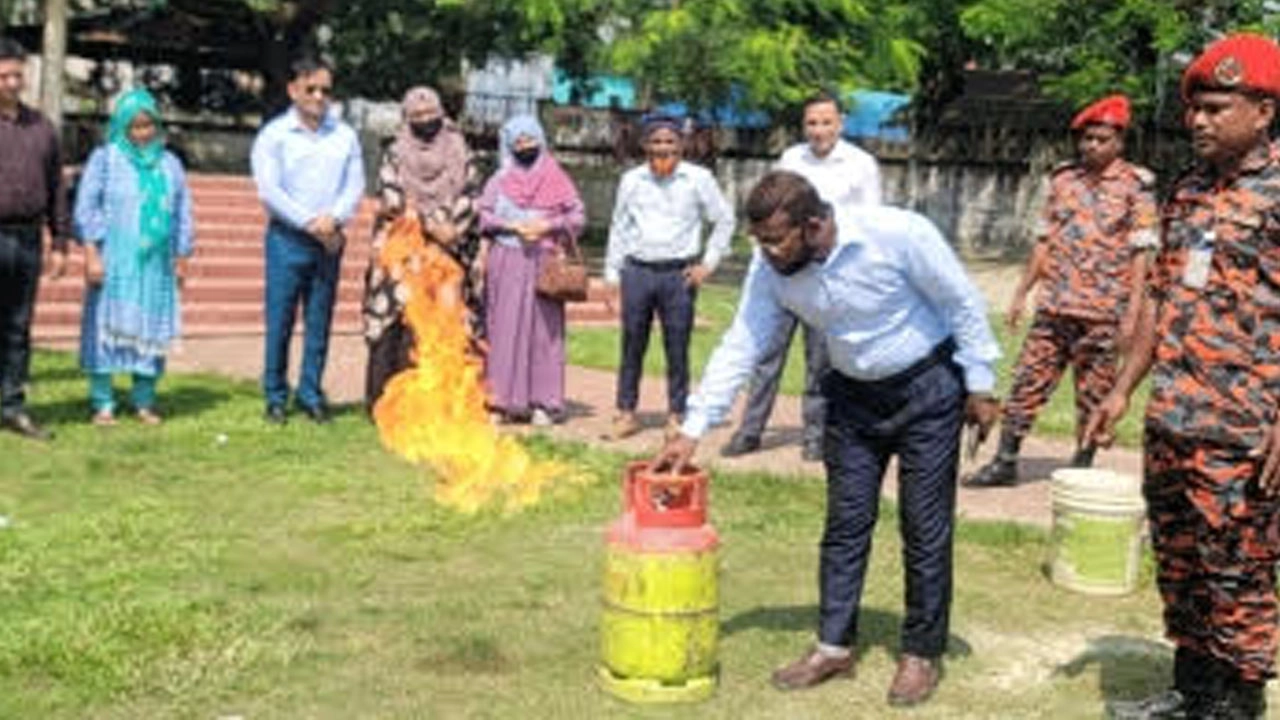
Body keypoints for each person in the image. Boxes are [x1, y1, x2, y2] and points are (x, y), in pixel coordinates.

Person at [655, 170, 1000, 708]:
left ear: (814, 225)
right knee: (845, 525)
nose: (766, 253)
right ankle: (834, 646)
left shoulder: (897, 234)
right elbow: (743, 341)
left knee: (924, 526)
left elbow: (961, 302)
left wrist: (979, 382)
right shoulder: (772, 270)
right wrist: (695, 427)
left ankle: (920, 653)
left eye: (776, 239)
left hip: (927, 389)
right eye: (761, 241)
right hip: (851, 400)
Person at [1086, 34, 1280, 720]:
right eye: (1194, 107)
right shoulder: (1189, 191)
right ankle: (1193, 695)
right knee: (1183, 565)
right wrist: (1119, 391)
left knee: (1238, 573)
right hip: (1173, 418)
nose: (1198, 120)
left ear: (1262, 110)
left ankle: (1239, 704)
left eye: (1216, 106)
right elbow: (1161, 302)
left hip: (1244, 430)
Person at [965, 94, 1158, 487]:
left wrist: (1133, 313)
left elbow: (1142, 253)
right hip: (1055, 309)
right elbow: (1044, 241)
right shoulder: (1063, 180)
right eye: (1086, 138)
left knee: (1094, 396)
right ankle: (1005, 460)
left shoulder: (1136, 187)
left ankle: (1081, 467)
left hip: (1104, 313)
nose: (1092, 146)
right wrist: (1021, 292)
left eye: (1102, 139)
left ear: (1119, 141)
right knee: (1027, 382)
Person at [721, 90, 882, 461]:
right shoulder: (791, 158)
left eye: (826, 122)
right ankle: (750, 430)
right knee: (766, 355)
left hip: (827, 276)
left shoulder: (861, 165)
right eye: (811, 122)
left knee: (819, 361)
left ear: (840, 122)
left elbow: (869, 225)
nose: (819, 130)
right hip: (782, 272)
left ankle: (814, 435)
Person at [603, 113, 734, 440]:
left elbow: (724, 219)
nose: (663, 149)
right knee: (632, 343)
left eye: (670, 142)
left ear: (682, 145)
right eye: (657, 142)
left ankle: (677, 415)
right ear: (646, 145)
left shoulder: (698, 179)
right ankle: (625, 412)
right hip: (637, 271)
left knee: (677, 346)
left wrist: (708, 263)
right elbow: (619, 226)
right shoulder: (632, 180)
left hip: (679, 275)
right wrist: (611, 273)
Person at [251, 56, 365, 425]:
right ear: (292, 90)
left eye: (325, 90)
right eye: (310, 88)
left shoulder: (344, 135)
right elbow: (270, 190)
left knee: (320, 321)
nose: (318, 96)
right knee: (280, 320)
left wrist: (334, 219)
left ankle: (311, 393)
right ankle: (275, 395)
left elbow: (355, 185)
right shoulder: (274, 136)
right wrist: (310, 222)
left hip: (329, 240)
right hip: (287, 239)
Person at [73, 89, 193, 426]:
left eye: (148, 125)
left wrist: (183, 255)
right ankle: (103, 403)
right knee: (104, 327)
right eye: (135, 127)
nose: (143, 133)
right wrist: (91, 254)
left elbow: (183, 212)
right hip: (114, 261)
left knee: (149, 332)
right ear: (122, 127)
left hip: (155, 267)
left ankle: (144, 401)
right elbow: (86, 207)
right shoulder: (106, 159)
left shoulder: (170, 164)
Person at [363, 86, 482, 412]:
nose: (426, 120)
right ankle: (392, 402)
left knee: (447, 320)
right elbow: (392, 198)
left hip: (451, 247)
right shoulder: (396, 152)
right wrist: (430, 226)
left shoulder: (460, 149)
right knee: (401, 318)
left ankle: (442, 401)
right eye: (417, 116)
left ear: (442, 113)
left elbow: (471, 193)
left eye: (431, 114)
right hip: (405, 246)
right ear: (406, 119)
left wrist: (451, 229)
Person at [478, 115, 585, 425]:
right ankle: (501, 402)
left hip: (545, 262)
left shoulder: (557, 177)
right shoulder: (499, 180)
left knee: (544, 333)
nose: (525, 146)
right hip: (507, 261)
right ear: (509, 145)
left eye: (531, 139)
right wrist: (511, 224)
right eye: (518, 141)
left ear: (541, 139)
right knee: (503, 330)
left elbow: (577, 216)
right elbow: (483, 216)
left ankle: (544, 402)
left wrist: (547, 225)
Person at [0, 36, 69, 441]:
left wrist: (59, 242)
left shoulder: (41, 128)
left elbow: (57, 188)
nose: (11, 83)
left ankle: (11, 405)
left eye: (17, 76)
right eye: (3, 75)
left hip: (27, 239)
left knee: (17, 327)